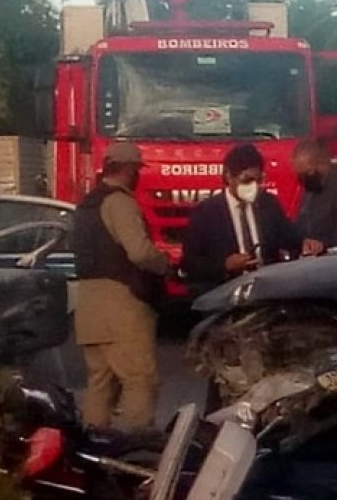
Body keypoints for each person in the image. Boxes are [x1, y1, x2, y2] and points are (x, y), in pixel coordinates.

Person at [71, 141, 169, 430]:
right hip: (121, 304)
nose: (138, 176)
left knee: (101, 384)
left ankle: (93, 442)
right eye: (137, 170)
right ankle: (138, 445)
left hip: (88, 304)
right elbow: (139, 252)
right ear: (128, 170)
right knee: (140, 380)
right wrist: (163, 263)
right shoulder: (119, 202)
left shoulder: (86, 205)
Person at [181, 143, 322, 296]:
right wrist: (225, 266)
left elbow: (289, 237)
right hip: (225, 293)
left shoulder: (268, 204)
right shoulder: (206, 213)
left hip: (267, 291)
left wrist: (305, 244)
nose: (254, 187)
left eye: (258, 180)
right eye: (247, 180)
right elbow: (189, 264)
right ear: (229, 176)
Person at [291, 138, 337, 248]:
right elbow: (302, 225)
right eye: (300, 174)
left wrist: (322, 245)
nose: (303, 179)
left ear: (321, 164)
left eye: (307, 172)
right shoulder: (310, 190)